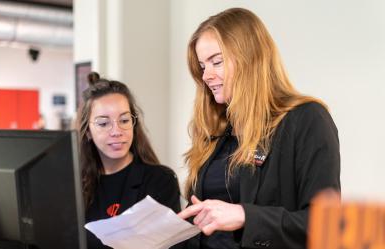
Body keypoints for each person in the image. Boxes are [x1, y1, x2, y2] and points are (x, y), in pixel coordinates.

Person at [177, 7, 340, 249]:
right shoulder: (218, 130)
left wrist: (245, 216)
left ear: (250, 58)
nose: (206, 76)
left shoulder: (306, 120)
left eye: (217, 62)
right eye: (202, 66)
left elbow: (326, 225)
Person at [77, 72, 181, 249]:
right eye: (103, 123)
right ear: (88, 132)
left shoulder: (160, 180)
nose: (117, 131)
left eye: (124, 120)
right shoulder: (76, 186)